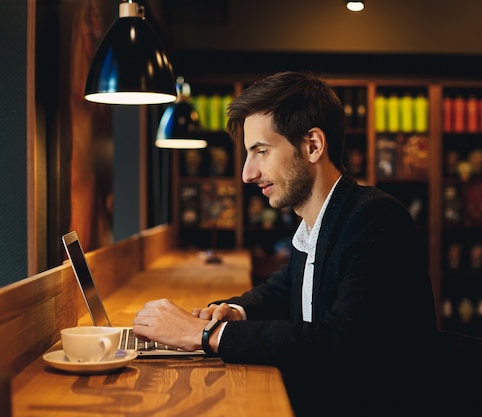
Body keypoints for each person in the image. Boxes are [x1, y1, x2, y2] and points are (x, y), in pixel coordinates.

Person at [133, 71, 437, 417]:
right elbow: (285, 287)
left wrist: (209, 335)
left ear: (312, 146)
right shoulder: (318, 219)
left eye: (260, 151)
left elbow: (339, 343)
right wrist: (233, 311)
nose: (247, 173)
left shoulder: (375, 219)